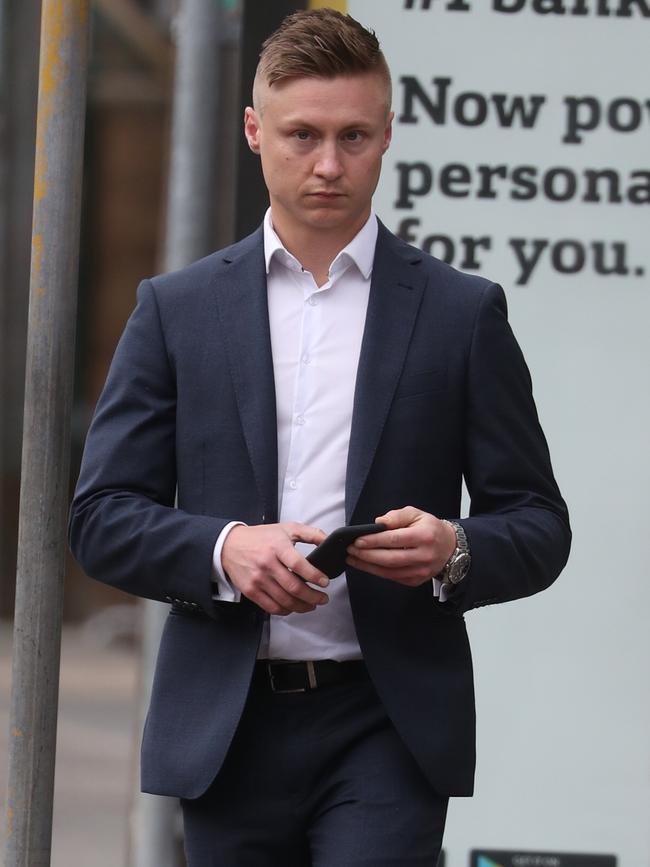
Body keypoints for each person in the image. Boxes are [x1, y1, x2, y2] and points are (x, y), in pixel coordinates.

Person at [69, 8, 571, 866]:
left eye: (353, 136)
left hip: (390, 716)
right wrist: (226, 549)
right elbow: (102, 517)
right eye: (302, 135)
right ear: (254, 132)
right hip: (228, 725)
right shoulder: (177, 310)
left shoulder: (461, 313)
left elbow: (536, 522)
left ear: (387, 136)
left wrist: (454, 547)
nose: (329, 164)